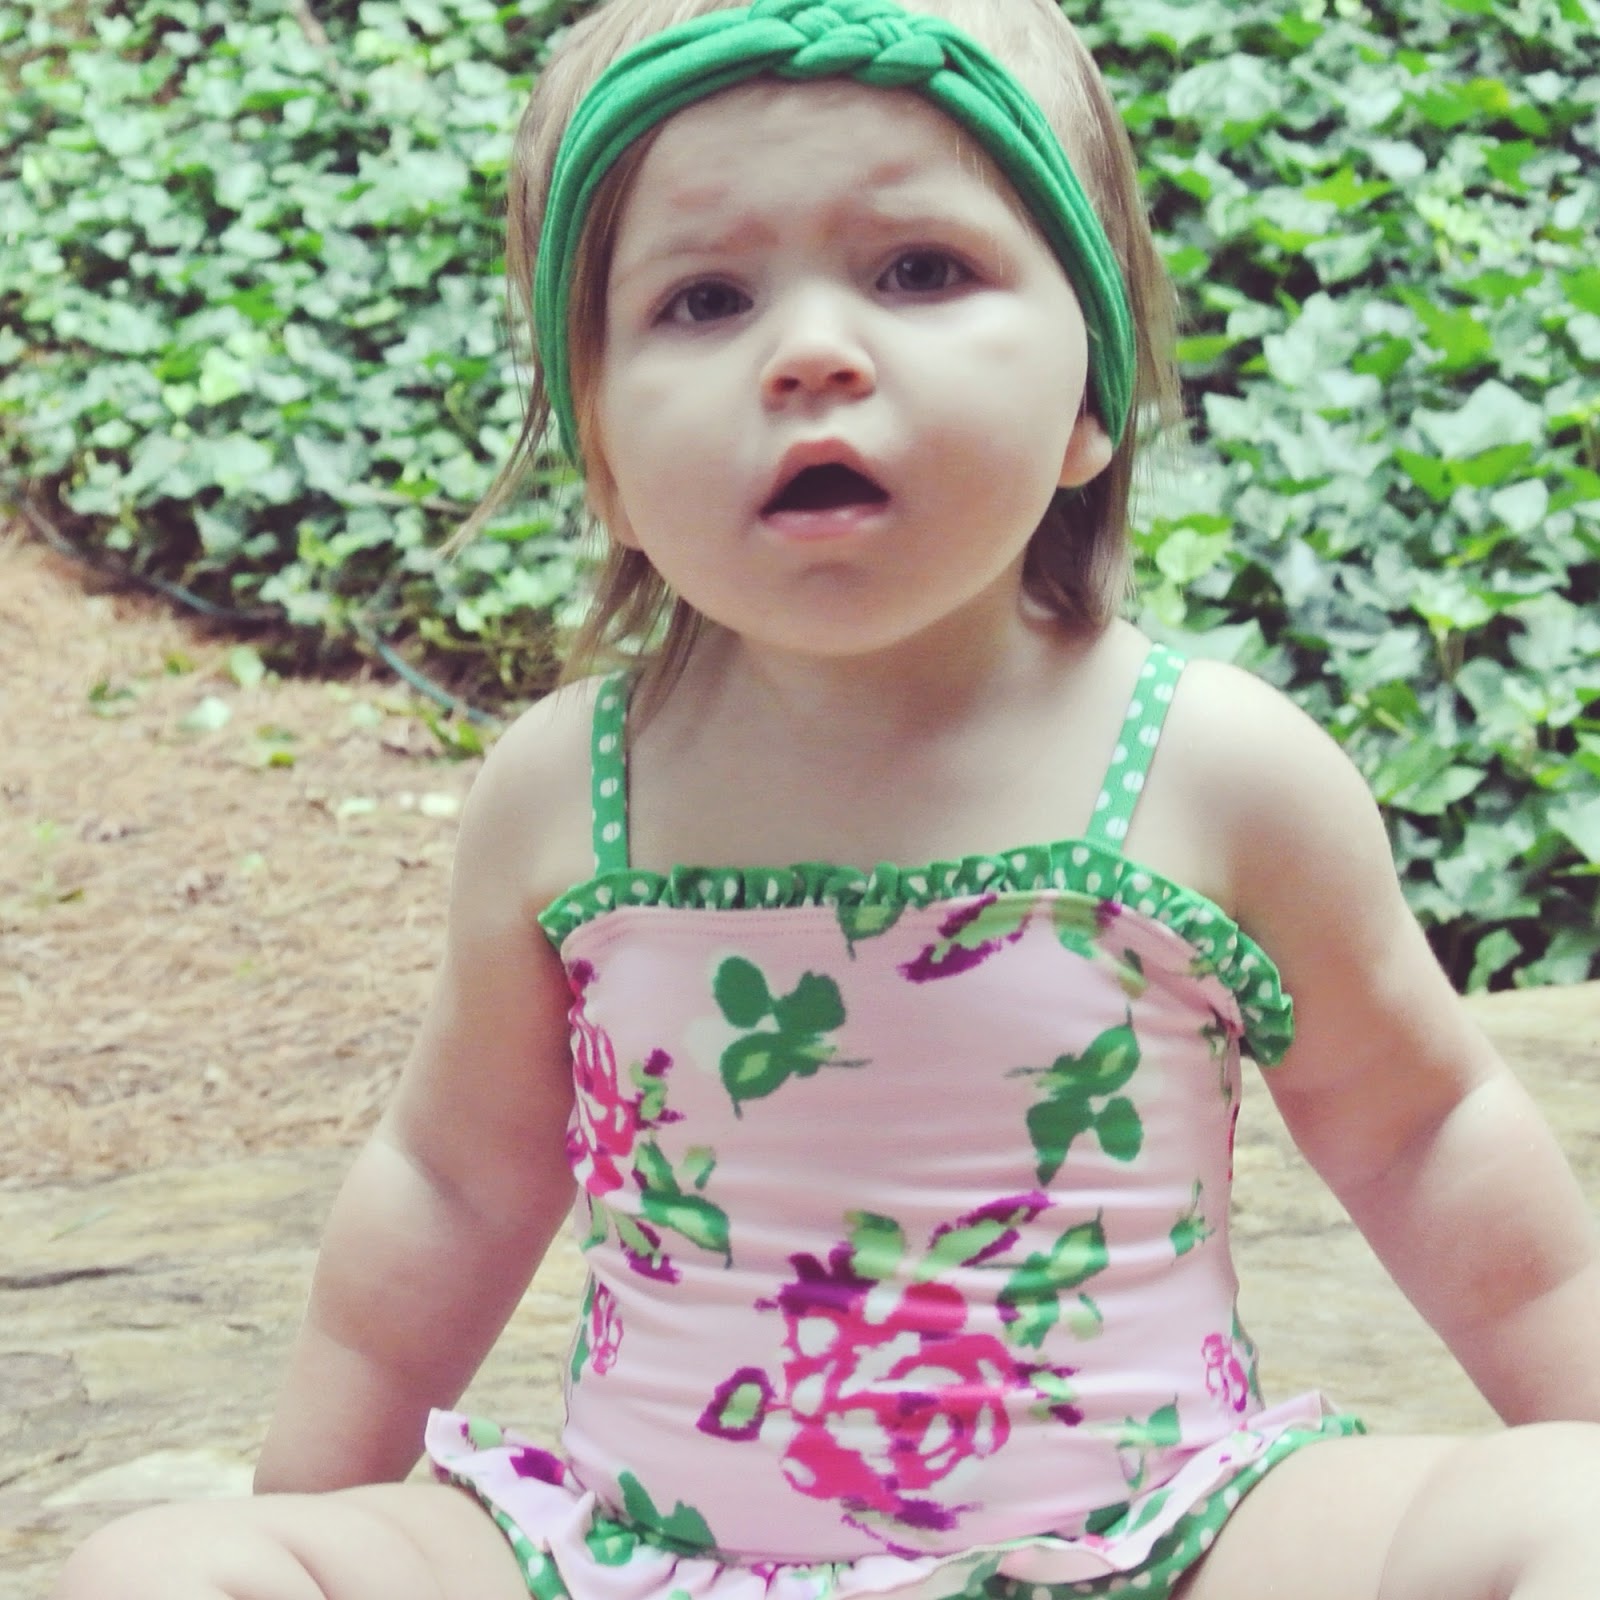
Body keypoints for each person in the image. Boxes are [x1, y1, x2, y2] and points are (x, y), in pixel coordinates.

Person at [54, 1, 1600, 1597]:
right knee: (160, 1570)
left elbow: (1425, 1130)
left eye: (919, 269)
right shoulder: (571, 795)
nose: (811, 352)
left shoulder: (1212, 770)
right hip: (644, 1561)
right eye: (704, 298)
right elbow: (453, 1182)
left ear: (1090, 392)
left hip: (1155, 1549)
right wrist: (299, 1520)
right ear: (604, 455)